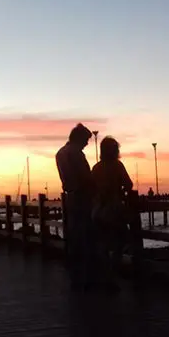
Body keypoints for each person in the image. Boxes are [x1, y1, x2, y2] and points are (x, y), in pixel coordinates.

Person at [90, 136, 133, 292]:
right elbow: (129, 184)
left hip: (97, 211)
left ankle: (105, 276)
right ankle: (112, 277)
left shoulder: (96, 168)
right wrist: (120, 191)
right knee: (120, 243)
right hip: (113, 211)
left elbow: (90, 188)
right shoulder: (117, 166)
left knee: (102, 244)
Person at [56, 123, 94, 288]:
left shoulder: (60, 153)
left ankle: (75, 270)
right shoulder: (76, 154)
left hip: (69, 197)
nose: (87, 144)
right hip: (82, 197)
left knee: (73, 233)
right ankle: (86, 273)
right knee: (85, 234)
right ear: (79, 138)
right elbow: (86, 177)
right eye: (86, 140)